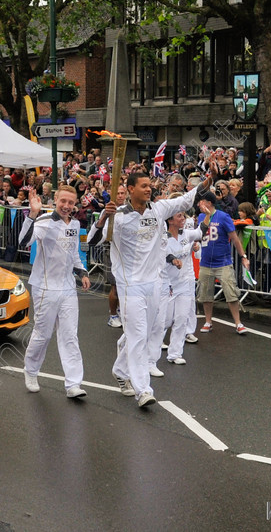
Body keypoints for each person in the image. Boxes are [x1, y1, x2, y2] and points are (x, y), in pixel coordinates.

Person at [89, 170, 212, 407]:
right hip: (129, 285)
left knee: (147, 331)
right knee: (137, 336)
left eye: (149, 186)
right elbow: (92, 241)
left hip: (154, 283)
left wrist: (207, 182)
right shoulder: (119, 216)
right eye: (143, 186)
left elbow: (185, 199)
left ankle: (120, 370)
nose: (148, 189)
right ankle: (143, 389)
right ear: (131, 189)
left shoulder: (158, 209)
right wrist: (104, 218)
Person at [18, 186, 90, 397]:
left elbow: (73, 252)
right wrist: (32, 214)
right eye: (63, 201)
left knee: (70, 335)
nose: (67, 206)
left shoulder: (75, 224)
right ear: (55, 200)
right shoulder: (44, 221)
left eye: (70, 202)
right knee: (43, 334)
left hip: (67, 287)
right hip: (45, 287)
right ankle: (31, 371)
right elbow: (24, 242)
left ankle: (73, 384)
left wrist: (82, 272)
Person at [150, 198, 213, 366]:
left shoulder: (187, 234)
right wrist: (172, 260)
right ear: (170, 220)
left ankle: (175, 353)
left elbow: (201, 232)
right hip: (167, 284)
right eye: (179, 216)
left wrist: (207, 215)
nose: (183, 219)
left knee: (182, 318)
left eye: (183, 215)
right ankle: (150, 352)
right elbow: (160, 255)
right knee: (166, 320)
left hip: (185, 282)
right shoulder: (162, 237)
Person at [196, 190, 251, 335]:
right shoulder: (201, 217)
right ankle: (208, 321)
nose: (200, 204)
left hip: (223, 261)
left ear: (209, 202)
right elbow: (199, 235)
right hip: (206, 262)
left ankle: (238, 323)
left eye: (202, 201)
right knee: (205, 294)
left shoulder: (223, 216)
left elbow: (234, 238)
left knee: (230, 292)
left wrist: (243, 256)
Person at [105, 184, 127, 328]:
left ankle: (120, 310)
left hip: (126, 254)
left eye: (122, 193)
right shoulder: (109, 211)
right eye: (117, 193)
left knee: (124, 287)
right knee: (115, 286)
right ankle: (112, 315)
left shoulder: (130, 210)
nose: (120, 196)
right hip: (111, 252)